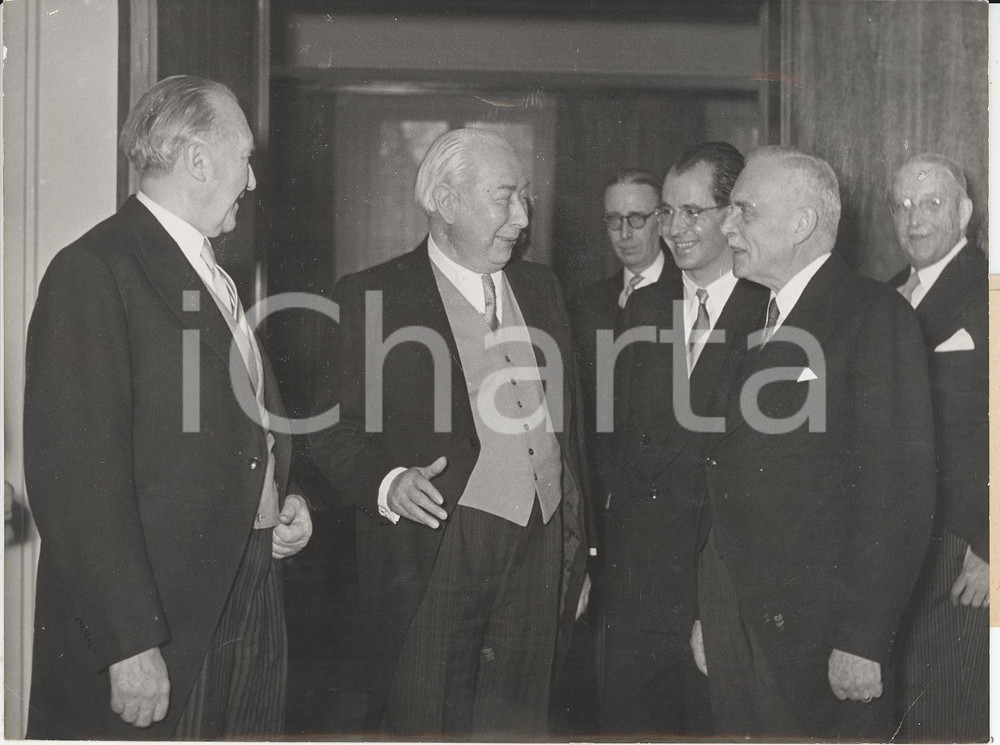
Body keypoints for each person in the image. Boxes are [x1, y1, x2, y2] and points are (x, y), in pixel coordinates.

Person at [23, 75, 312, 739]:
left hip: (247, 591)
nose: (253, 181)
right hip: (160, 624)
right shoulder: (94, 270)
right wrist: (128, 642)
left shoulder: (214, 275)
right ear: (198, 160)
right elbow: (74, 479)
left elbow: (247, 426)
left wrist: (280, 499)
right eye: (245, 158)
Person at [309, 128, 590, 738]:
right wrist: (387, 483)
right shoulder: (372, 296)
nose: (521, 217)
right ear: (444, 200)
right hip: (436, 546)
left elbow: (570, 435)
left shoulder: (541, 289)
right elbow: (329, 432)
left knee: (517, 727)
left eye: (525, 199)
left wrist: (577, 547)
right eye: (504, 197)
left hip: (539, 544)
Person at [694, 146, 937, 739]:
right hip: (736, 615)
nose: (727, 227)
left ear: (801, 224)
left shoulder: (872, 315)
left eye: (744, 211)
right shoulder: (751, 313)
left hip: (818, 635)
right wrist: (710, 611)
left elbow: (899, 493)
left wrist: (863, 639)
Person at [601, 142, 767, 736]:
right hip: (636, 590)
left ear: (732, 215)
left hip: (715, 591)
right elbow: (618, 448)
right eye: (667, 212)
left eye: (691, 212)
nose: (673, 229)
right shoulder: (642, 307)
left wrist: (717, 610)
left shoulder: (771, 313)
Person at [888, 154, 988, 742]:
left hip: (966, 553)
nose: (914, 219)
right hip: (903, 546)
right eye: (902, 206)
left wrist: (992, 543)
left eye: (930, 203)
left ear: (965, 212)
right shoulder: (885, 294)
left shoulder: (987, 285)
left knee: (948, 717)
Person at [569, 170, 675, 508]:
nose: (625, 234)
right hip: (607, 495)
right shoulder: (586, 305)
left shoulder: (690, 294)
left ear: (661, 220)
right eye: (614, 220)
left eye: (637, 219)